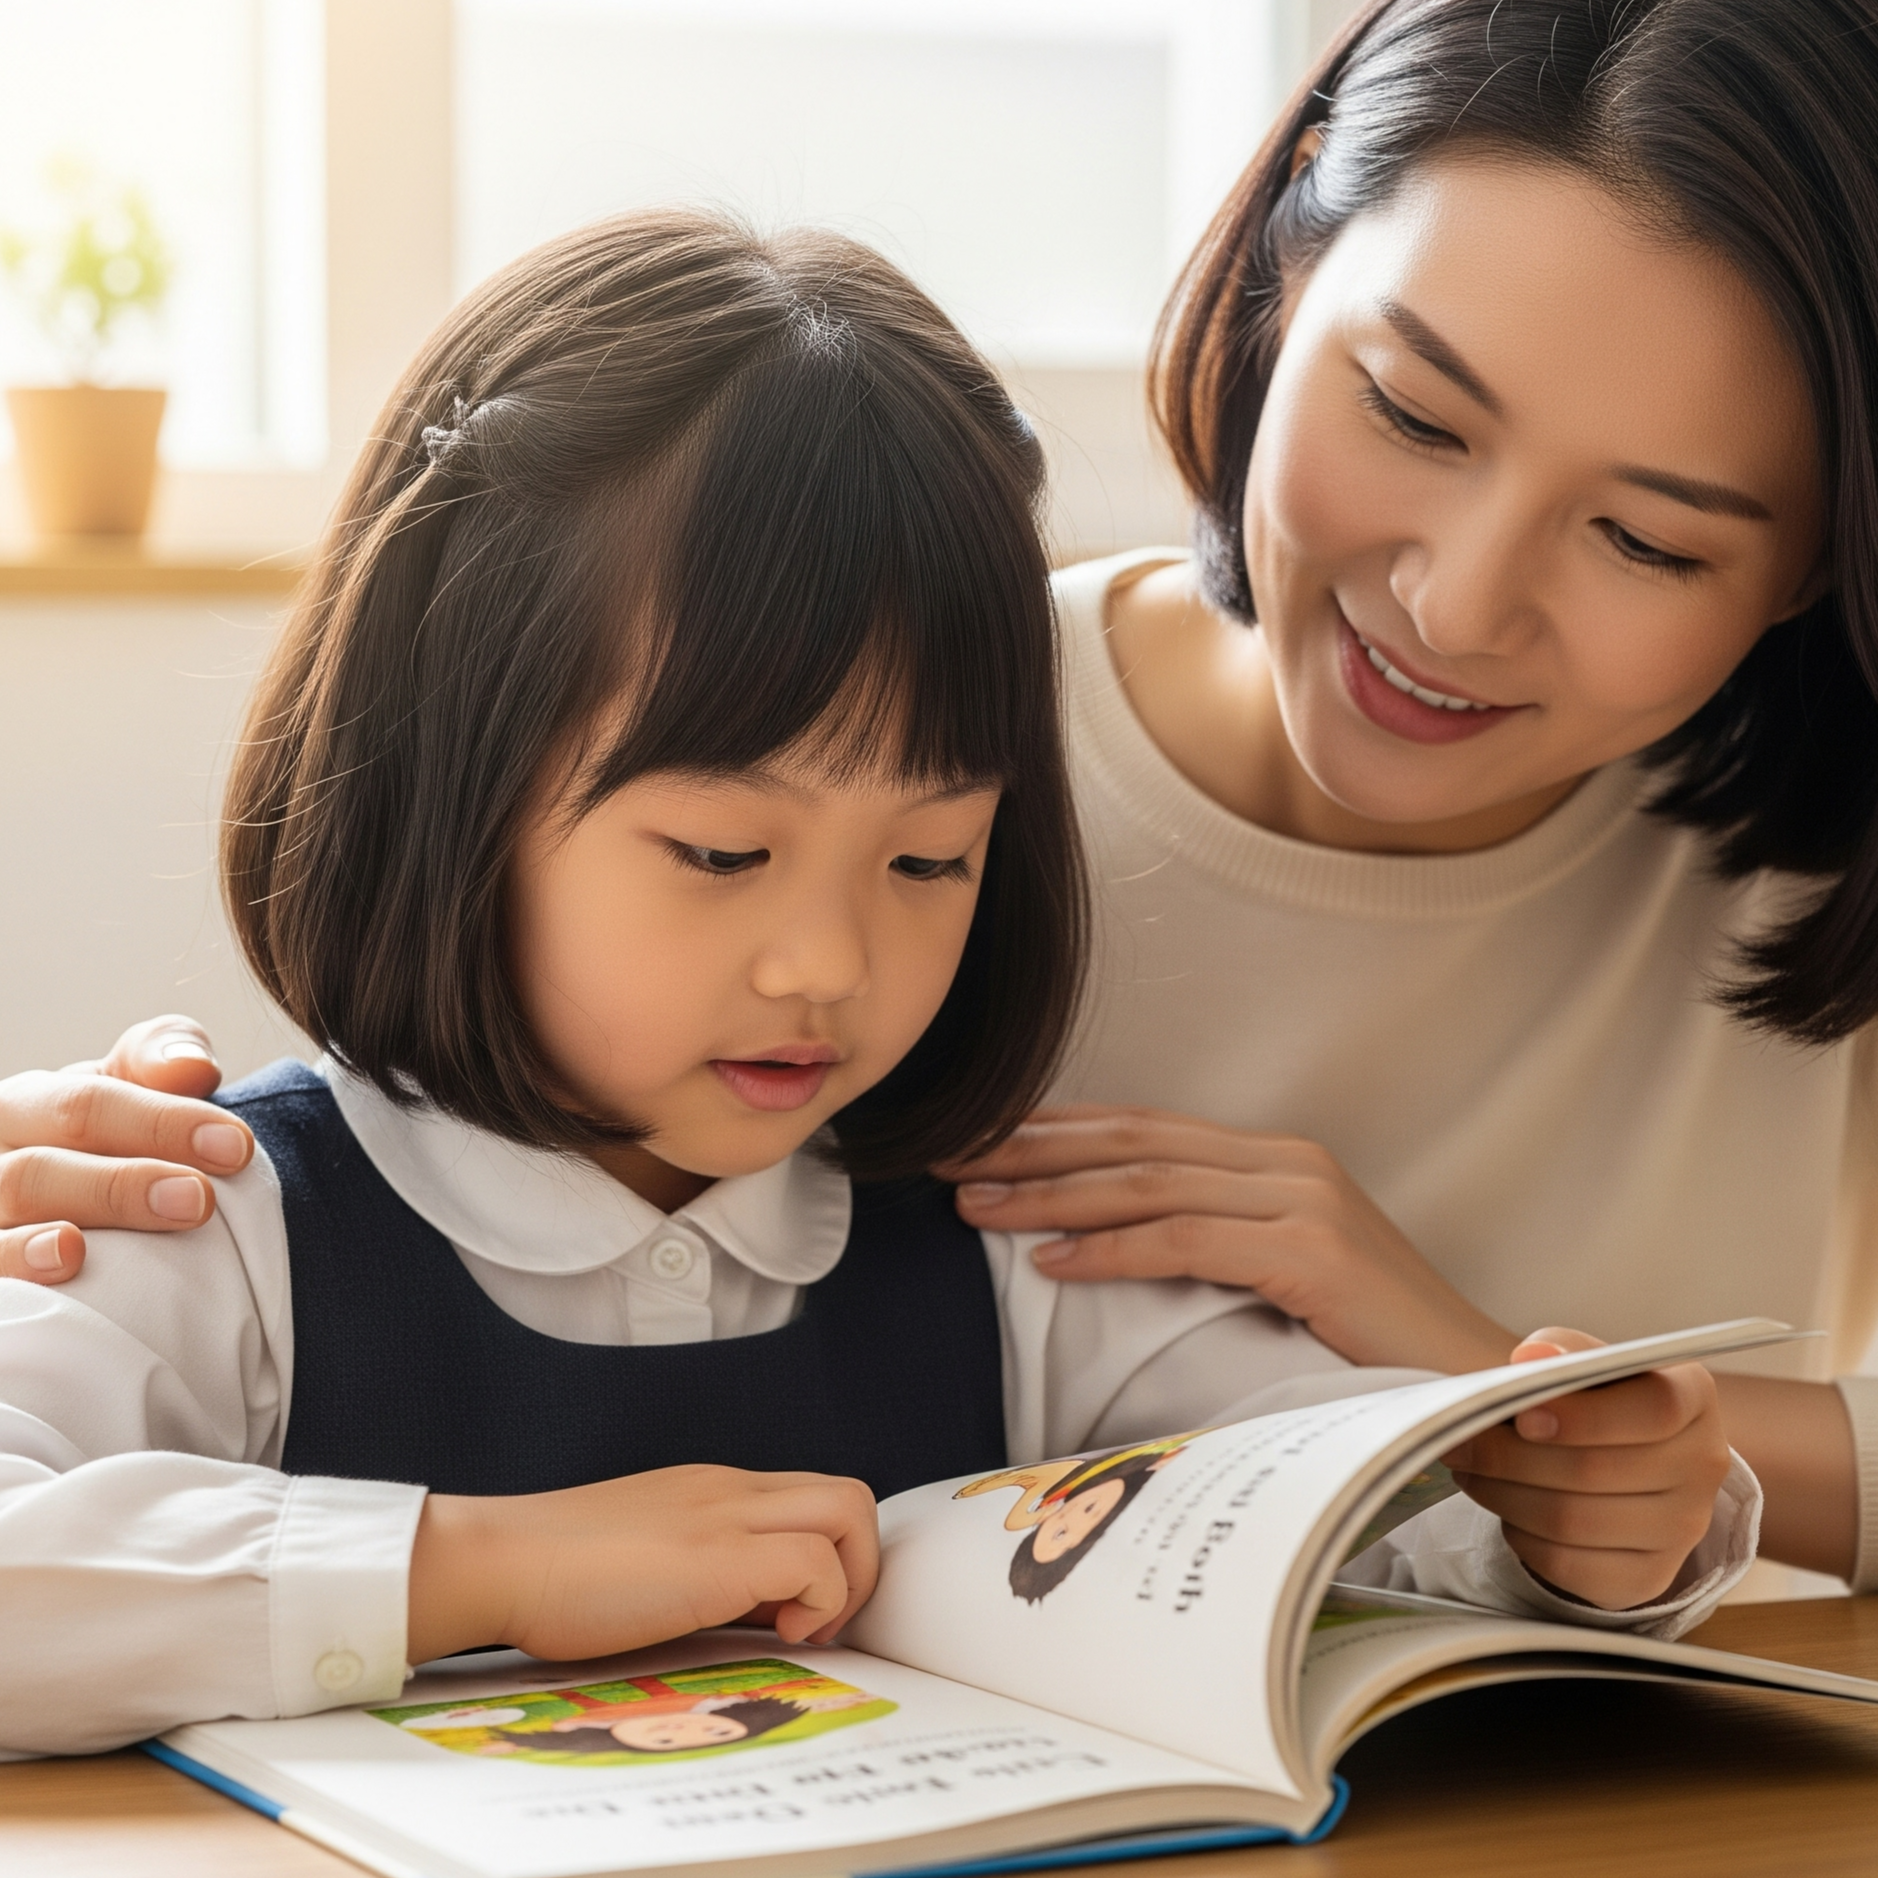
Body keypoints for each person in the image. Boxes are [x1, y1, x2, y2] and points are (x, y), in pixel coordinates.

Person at [0, 208, 1745, 1757]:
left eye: (929, 861)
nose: (827, 962)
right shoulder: (214, 1219)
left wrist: (1574, 1516)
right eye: (718, 853)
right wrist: (486, 1563)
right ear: (443, 785)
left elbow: (1344, 1514)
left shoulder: (1013, 1256)